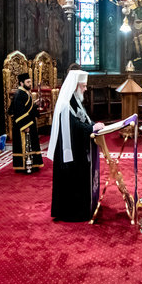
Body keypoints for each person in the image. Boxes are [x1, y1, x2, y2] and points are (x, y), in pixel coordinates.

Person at [48, 70, 105, 222]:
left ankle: (83, 206)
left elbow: (83, 119)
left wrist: (94, 125)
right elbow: (74, 127)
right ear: (75, 86)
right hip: (69, 152)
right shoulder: (66, 104)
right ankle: (71, 212)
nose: (86, 89)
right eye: (84, 86)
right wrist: (92, 128)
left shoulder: (75, 100)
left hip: (77, 148)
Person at [10, 73, 43, 172]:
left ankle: (33, 163)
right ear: (21, 83)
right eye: (28, 82)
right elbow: (19, 111)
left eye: (30, 82)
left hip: (29, 123)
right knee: (25, 144)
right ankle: (25, 166)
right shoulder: (19, 93)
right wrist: (25, 126)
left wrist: (34, 104)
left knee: (32, 143)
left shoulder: (25, 92)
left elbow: (27, 108)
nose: (30, 84)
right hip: (23, 125)